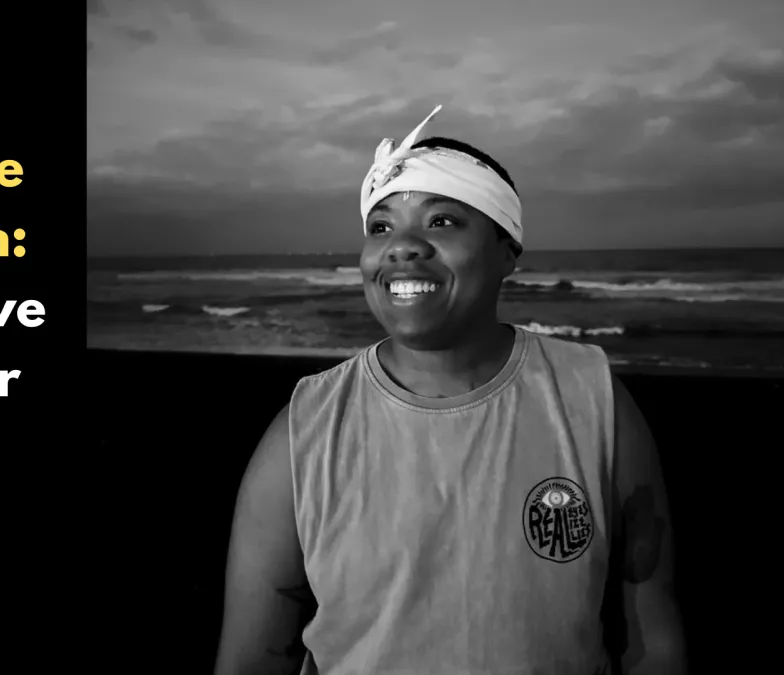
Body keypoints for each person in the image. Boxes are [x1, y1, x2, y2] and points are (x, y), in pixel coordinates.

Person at [212, 105, 686, 675]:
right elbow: (251, 659)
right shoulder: (303, 430)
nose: (403, 247)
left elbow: (652, 639)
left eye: (441, 222)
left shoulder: (594, 400)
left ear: (506, 248)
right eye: (381, 227)